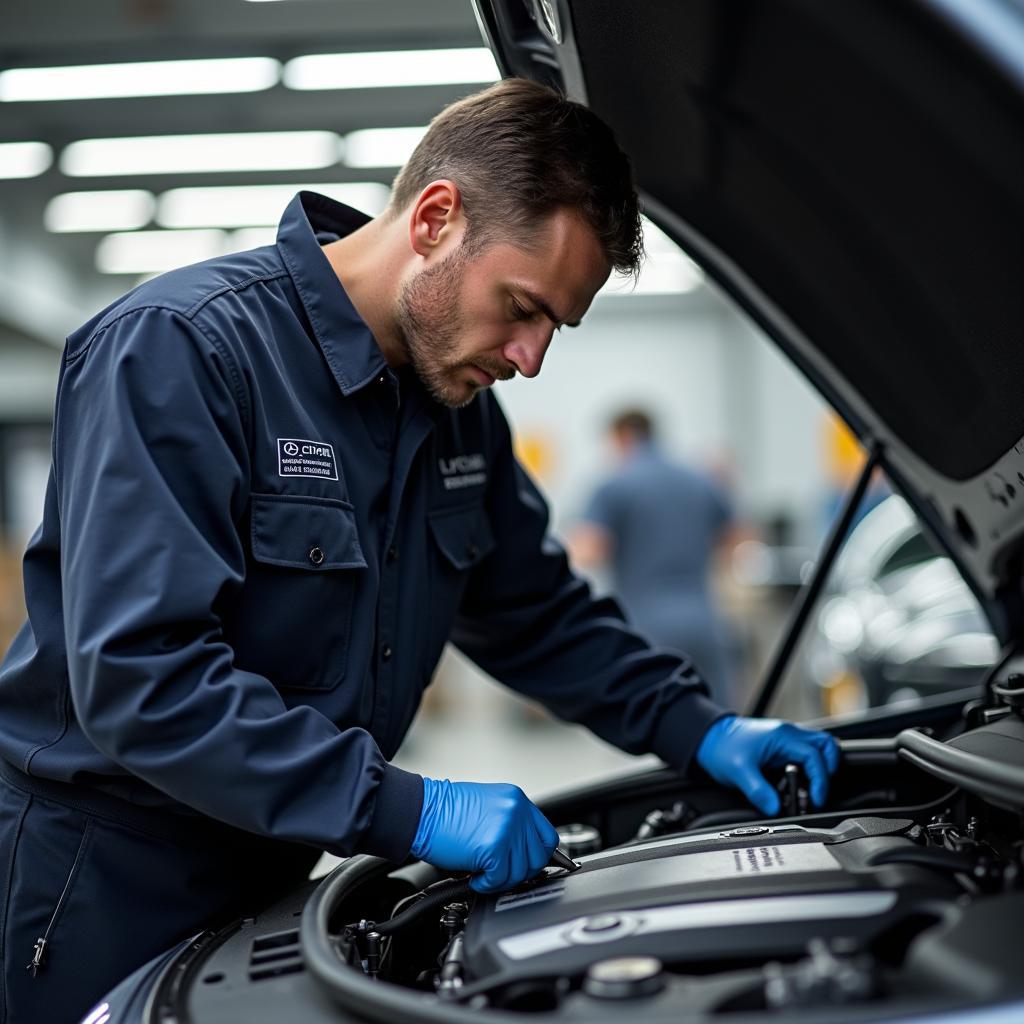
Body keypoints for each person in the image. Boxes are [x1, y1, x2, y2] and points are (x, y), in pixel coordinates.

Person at [0, 78, 839, 1023]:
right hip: (106, 881)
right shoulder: (184, 351)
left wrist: (701, 727)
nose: (530, 358)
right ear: (437, 218)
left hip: (274, 865)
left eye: (554, 327)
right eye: (521, 307)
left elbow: (539, 614)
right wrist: (413, 810)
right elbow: (141, 678)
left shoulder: (454, 414)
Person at [569, 409, 737, 706]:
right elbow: (738, 539)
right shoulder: (700, 479)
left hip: (645, 625)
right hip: (705, 620)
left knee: (657, 722)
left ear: (621, 437)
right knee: (718, 721)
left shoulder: (614, 486)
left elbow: (589, 550)